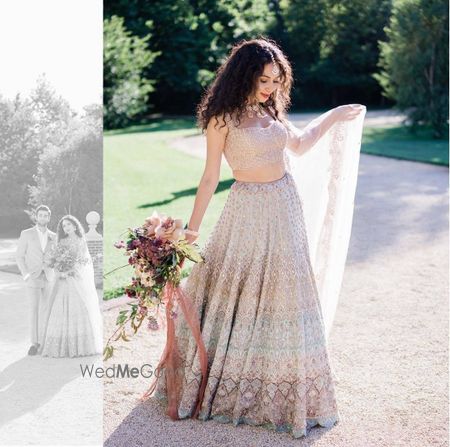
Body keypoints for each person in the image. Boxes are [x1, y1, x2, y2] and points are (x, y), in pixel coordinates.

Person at [150, 37, 366, 438]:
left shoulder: (273, 114)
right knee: (239, 291)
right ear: (245, 74)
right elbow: (210, 176)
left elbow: (299, 146)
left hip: (285, 207)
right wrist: (191, 232)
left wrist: (333, 115)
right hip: (246, 210)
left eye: (276, 80)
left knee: (286, 294)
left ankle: (283, 390)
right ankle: (229, 384)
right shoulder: (222, 119)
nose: (270, 87)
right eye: (264, 79)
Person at [38, 215, 103, 358]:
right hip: (61, 280)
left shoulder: (81, 241)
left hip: (74, 280)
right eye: (64, 226)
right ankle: (60, 345)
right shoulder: (61, 241)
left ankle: (79, 345)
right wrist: (60, 271)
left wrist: (69, 272)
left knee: (78, 306)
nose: (66, 228)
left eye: (68, 225)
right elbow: (55, 259)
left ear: (75, 225)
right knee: (58, 308)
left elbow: (81, 262)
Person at [15, 205, 56, 356]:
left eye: (46, 215)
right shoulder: (26, 234)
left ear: (49, 218)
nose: (43, 218)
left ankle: (44, 341)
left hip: (48, 277)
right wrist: (25, 275)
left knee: (47, 310)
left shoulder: (54, 236)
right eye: (41, 215)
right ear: (36, 217)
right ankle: (34, 343)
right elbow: (19, 256)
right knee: (34, 309)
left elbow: (55, 257)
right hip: (33, 277)